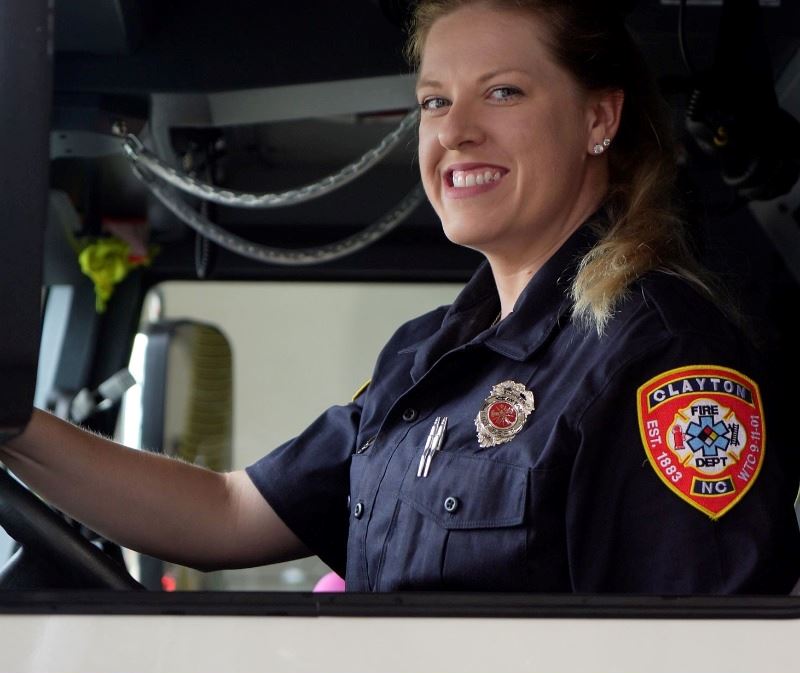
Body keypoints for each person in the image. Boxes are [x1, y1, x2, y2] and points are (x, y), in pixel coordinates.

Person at [1, 0, 799, 593]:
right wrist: (16, 426)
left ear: (599, 117)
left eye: (504, 93)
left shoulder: (663, 350)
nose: (454, 131)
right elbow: (227, 510)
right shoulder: (424, 358)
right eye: (434, 101)